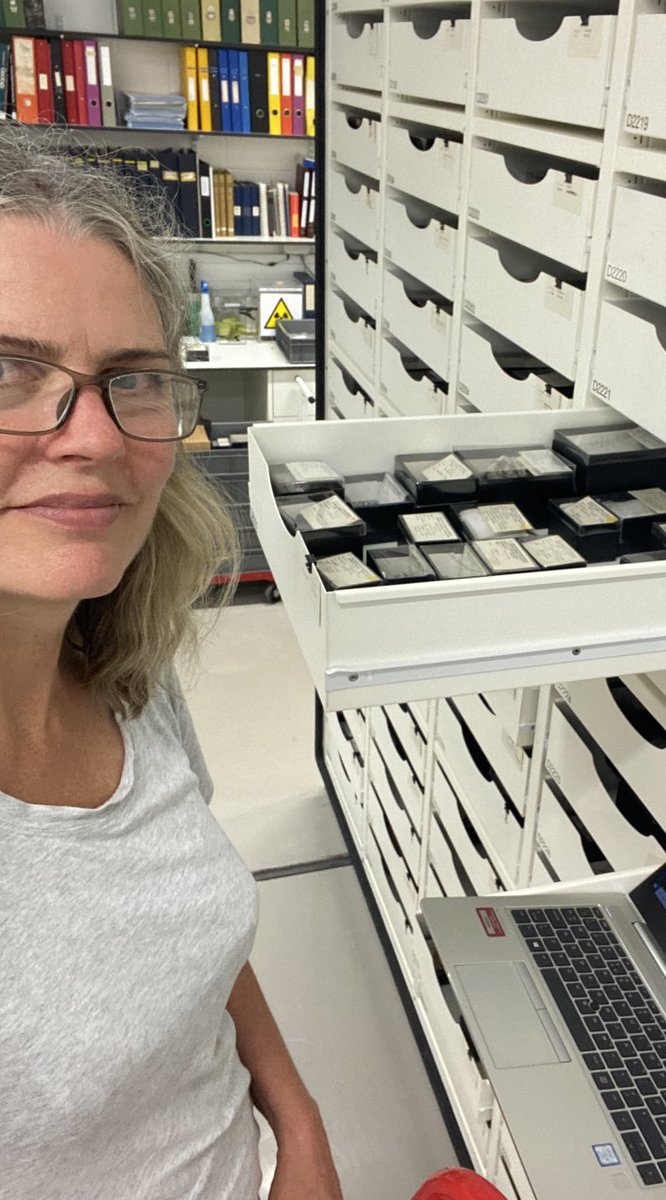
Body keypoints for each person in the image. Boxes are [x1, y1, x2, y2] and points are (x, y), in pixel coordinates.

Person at [0, 125, 343, 1200]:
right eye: (10, 371)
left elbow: (183, 939)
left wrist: (300, 1128)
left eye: (133, 379)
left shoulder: (124, 668)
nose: (95, 437)